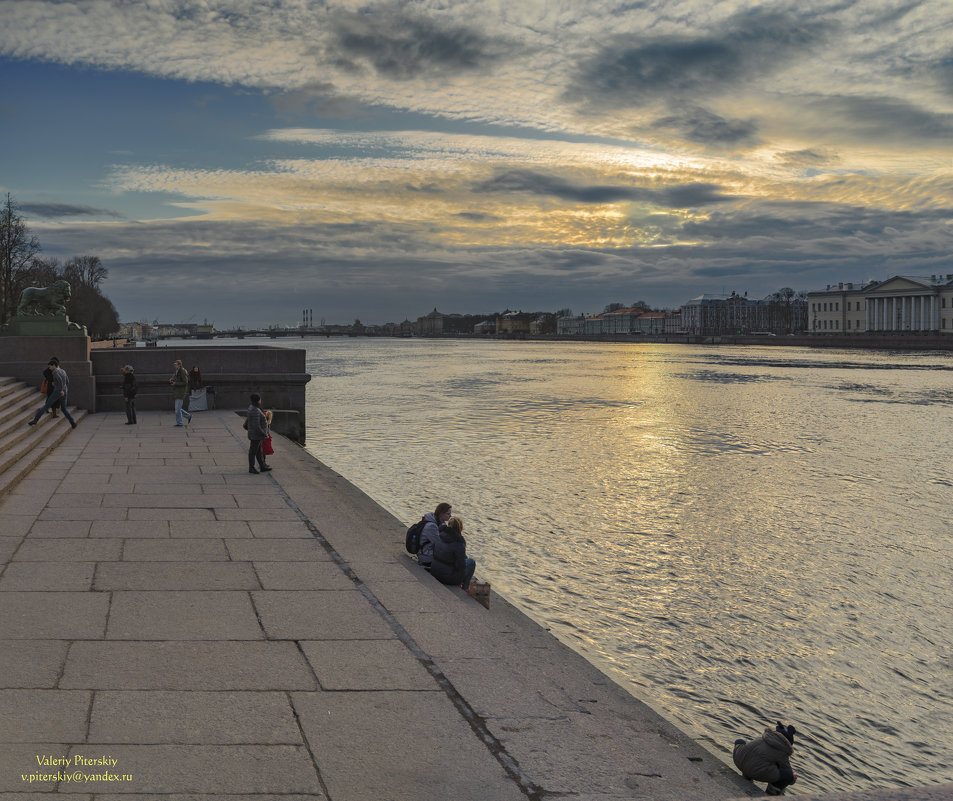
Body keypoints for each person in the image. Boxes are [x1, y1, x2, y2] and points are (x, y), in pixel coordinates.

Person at [733, 722, 798, 795]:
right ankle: (771, 792)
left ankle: (746, 777)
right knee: (787, 775)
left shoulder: (762, 738)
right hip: (754, 771)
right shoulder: (782, 751)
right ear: (788, 743)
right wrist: (793, 778)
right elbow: (788, 773)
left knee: (740, 742)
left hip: (739, 761)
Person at [430, 516, 477, 591]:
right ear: (460, 528)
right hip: (448, 578)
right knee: (471, 562)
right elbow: (461, 566)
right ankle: (465, 588)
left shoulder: (440, 535)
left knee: (464, 558)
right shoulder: (458, 542)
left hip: (434, 570)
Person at [28, 360, 77, 429]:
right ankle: (72, 422)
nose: (49, 368)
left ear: (54, 365)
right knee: (64, 409)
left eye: (50, 366)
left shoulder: (55, 372)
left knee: (46, 406)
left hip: (58, 391)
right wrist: (63, 389)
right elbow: (67, 381)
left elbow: (60, 381)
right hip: (65, 391)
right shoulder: (63, 371)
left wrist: (60, 389)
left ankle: (35, 420)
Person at [418, 502, 452, 570]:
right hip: (426, 557)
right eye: (448, 514)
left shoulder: (439, 522)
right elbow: (438, 544)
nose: (450, 516)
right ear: (441, 514)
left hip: (428, 552)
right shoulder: (432, 526)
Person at [246, 393, 272, 474]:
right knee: (253, 451)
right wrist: (264, 433)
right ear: (258, 400)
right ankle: (251, 467)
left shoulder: (252, 408)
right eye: (260, 400)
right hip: (256, 435)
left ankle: (262, 466)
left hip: (256, 434)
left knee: (258, 451)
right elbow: (256, 425)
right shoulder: (255, 410)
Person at [169, 359, 192, 426]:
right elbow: (175, 377)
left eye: (175, 364)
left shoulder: (182, 371)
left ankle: (180, 423)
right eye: (174, 364)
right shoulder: (177, 371)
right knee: (177, 409)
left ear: (179, 365)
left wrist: (175, 383)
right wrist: (171, 379)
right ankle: (188, 416)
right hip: (177, 392)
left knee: (177, 410)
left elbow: (185, 382)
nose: (174, 365)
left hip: (181, 392)